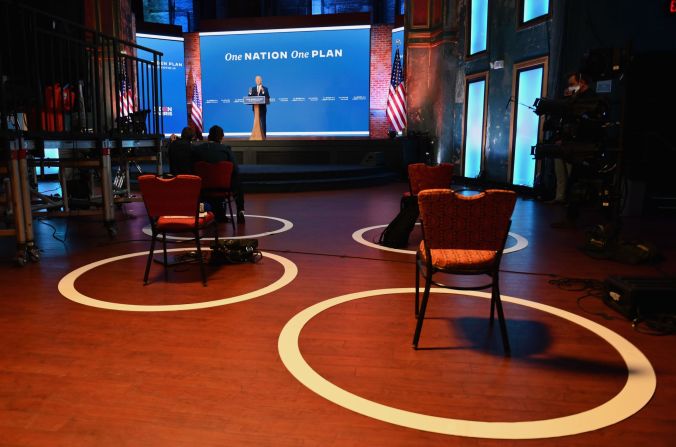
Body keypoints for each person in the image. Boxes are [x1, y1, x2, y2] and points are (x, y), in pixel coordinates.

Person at [193, 125, 246, 224]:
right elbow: (235, 170)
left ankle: (202, 213)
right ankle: (240, 210)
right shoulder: (226, 150)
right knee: (238, 181)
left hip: (203, 187)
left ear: (208, 137)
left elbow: (192, 167)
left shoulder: (197, 150)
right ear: (222, 137)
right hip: (223, 187)